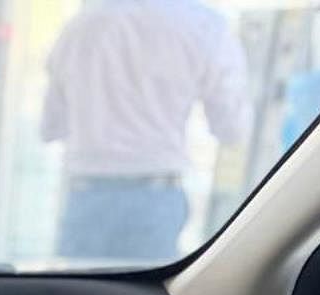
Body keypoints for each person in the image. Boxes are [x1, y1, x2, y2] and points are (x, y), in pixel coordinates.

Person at [41, 0, 251, 263]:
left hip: (86, 196)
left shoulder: (79, 26)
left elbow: (50, 128)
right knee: (144, 287)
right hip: (155, 197)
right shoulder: (204, 25)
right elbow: (232, 128)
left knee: (77, 286)